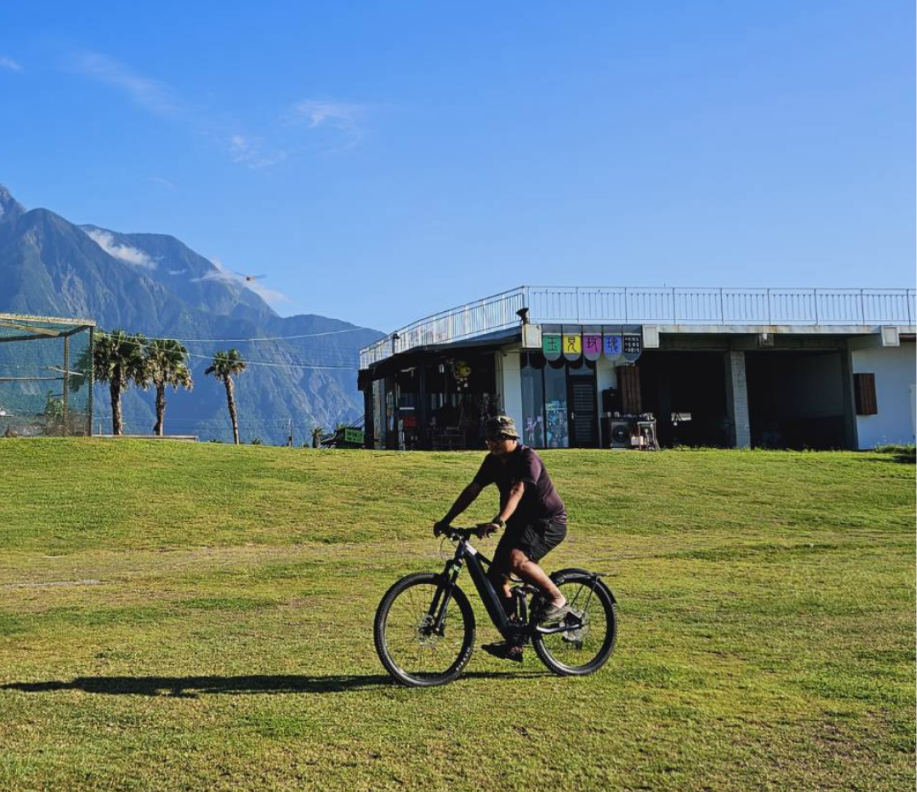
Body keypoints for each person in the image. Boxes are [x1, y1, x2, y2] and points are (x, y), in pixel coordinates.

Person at [434, 415, 569, 662]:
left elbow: (518, 490)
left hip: (547, 521)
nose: (493, 443)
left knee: (516, 560)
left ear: (512, 437)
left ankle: (556, 597)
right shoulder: (492, 461)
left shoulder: (528, 458)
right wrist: (446, 520)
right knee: (496, 578)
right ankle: (515, 640)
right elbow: (472, 490)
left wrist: (499, 520)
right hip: (519, 523)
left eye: (499, 438)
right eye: (489, 439)